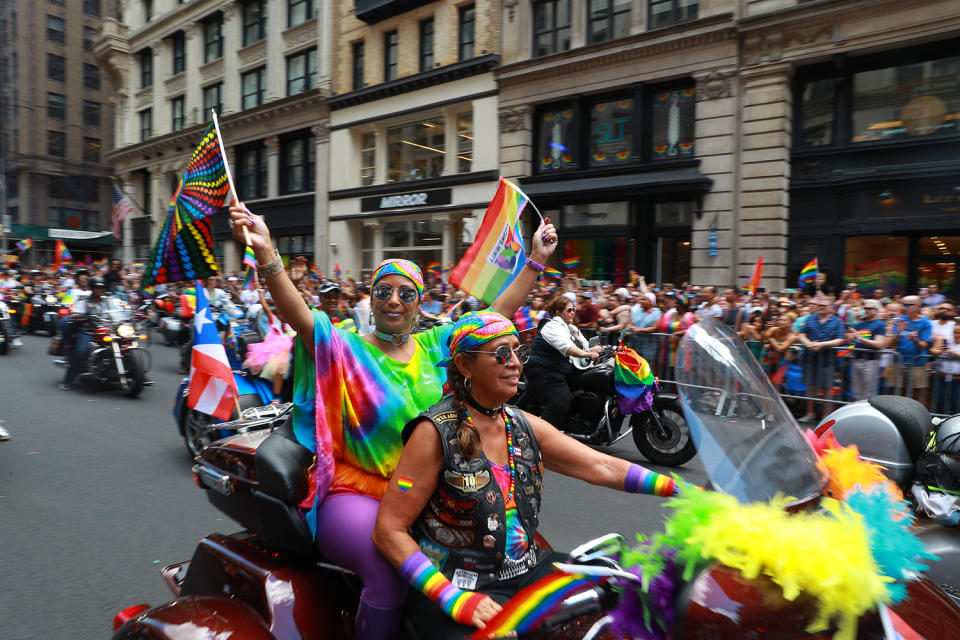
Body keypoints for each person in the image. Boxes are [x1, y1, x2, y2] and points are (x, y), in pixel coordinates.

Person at [228, 201, 557, 640]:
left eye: (406, 293)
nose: (394, 301)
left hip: (429, 491)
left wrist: (536, 260)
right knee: (390, 571)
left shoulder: (436, 346)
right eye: (384, 292)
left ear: (420, 302)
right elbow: (298, 315)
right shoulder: (346, 348)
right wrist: (267, 253)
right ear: (372, 298)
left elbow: (493, 319)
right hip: (357, 491)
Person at [372, 311, 689, 638]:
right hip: (459, 583)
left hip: (528, 569)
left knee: (628, 592)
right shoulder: (432, 432)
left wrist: (682, 491)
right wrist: (454, 599)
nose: (515, 363)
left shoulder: (521, 423)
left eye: (517, 351)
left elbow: (602, 466)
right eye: (501, 353)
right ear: (465, 367)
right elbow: (389, 530)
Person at [524, 294, 602, 429]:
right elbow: (568, 347)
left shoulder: (572, 328)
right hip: (545, 370)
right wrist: (587, 353)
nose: (572, 312)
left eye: (574, 309)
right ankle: (542, 440)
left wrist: (605, 348)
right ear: (557, 312)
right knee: (559, 404)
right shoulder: (552, 326)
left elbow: (585, 346)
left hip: (561, 370)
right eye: (569, 310)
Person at [796, 297, 845, 422]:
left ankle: (826, 416)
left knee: (827, 388)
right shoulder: (810, 319)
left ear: (830, 307)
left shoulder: (837, 321)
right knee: (810, 386)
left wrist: (821, 345)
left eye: (824, 305)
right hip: (811, 358)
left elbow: (840, 339)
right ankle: (810, 413)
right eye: (820, 305)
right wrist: (808, 343)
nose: (822, 307)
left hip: (828, 360)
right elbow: (801, 334)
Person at [59, 276, 107, 390]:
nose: (100, 289)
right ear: (92, 288)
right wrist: (79, 316)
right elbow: (75, 314)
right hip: (89, 330)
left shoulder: (108, 302)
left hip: (107, 330)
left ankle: (139, 374)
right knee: (81, 352)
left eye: (102, 287)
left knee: (127, 343)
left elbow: (119, 312)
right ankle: (68, 380)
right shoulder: (84, 301)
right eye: (97, 287)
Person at [891, 295, 933, 405]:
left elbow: (924, 345)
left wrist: (914, 339)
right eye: (903, 304)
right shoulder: (899, 320)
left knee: (917, 396)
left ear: (918, 306)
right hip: (899, 362)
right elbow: (890, 344)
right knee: (897, 394)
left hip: (917, 364)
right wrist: (899, 332)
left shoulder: (926, 322)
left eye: (908, 305)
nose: (905, 307)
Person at [847, 299, 886, 401]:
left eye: (870, 308)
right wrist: (849, 337)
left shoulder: (880, 324)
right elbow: (851, 342)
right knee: (856, 393)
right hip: (856, 360)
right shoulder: (859, 324)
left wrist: (859, 338)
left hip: (870, 361)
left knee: (869, 394)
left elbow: (879, 344)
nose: (867, 310)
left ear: (876, 310)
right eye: (865, 308)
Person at [628, 291, 662, 366]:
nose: (641, 301)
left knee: (646, 367)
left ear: (651, 302)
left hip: (648, 346)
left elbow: (655, 327)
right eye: (641, 299)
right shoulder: (637, 311)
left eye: (644, 300)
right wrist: (629, 328)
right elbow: (630, 322)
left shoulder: (656, 312)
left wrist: (638, 330)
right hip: (636, 344)